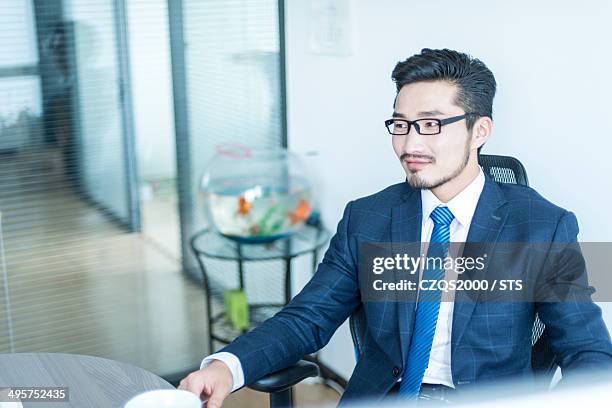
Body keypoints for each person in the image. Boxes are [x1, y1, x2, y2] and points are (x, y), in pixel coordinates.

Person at [179, 49, 612, 407]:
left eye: (430, 124)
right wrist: (226, 365)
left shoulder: (542, 227)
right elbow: (307, 318)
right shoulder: (367, 219)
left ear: (479, 130)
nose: (410, 145)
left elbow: (586, 347)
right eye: (400, 124)